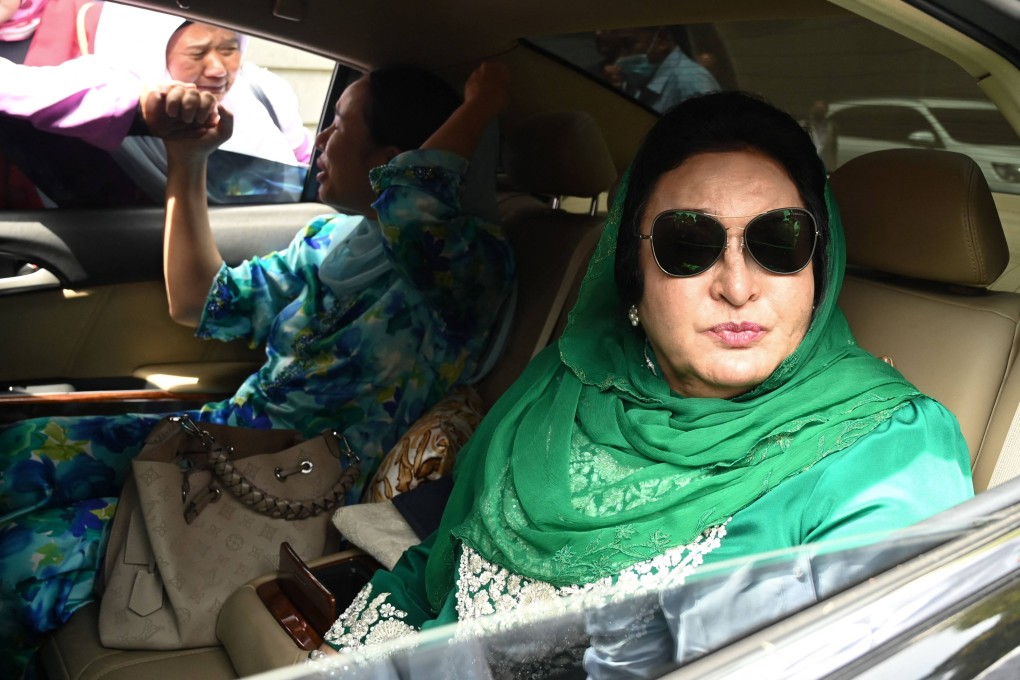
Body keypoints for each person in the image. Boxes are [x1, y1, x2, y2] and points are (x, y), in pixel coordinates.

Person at [314, 91, 972, 674]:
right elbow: (436, 577)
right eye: (689, 246)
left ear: (818, 266)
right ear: (634, 275)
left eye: (779, 241)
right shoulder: (562, 388)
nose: (737, 287)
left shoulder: (888, 449)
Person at [0, 62, 516, 677]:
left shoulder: (467, 269)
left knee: (18, 562)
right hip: (217, 442)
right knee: (20, 449)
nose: (319, 139)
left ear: (392, 158)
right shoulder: (334, 240)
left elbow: (415, 205)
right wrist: (188, 158)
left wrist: (480, 106)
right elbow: (200, 300)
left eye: (339, 124)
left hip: (287, 492)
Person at [0, 4, 312, 206]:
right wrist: (141, 110)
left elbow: (311, 172)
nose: (218, 68)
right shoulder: (110, 85)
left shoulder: (267, 93)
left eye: (230, 48)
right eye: (197, 52)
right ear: (150, 48)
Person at [604, 26, 719, 113]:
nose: (621, 56)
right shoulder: (641, 82)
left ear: (662, 39)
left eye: (628, 44)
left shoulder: (691, 82)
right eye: (617, 48)